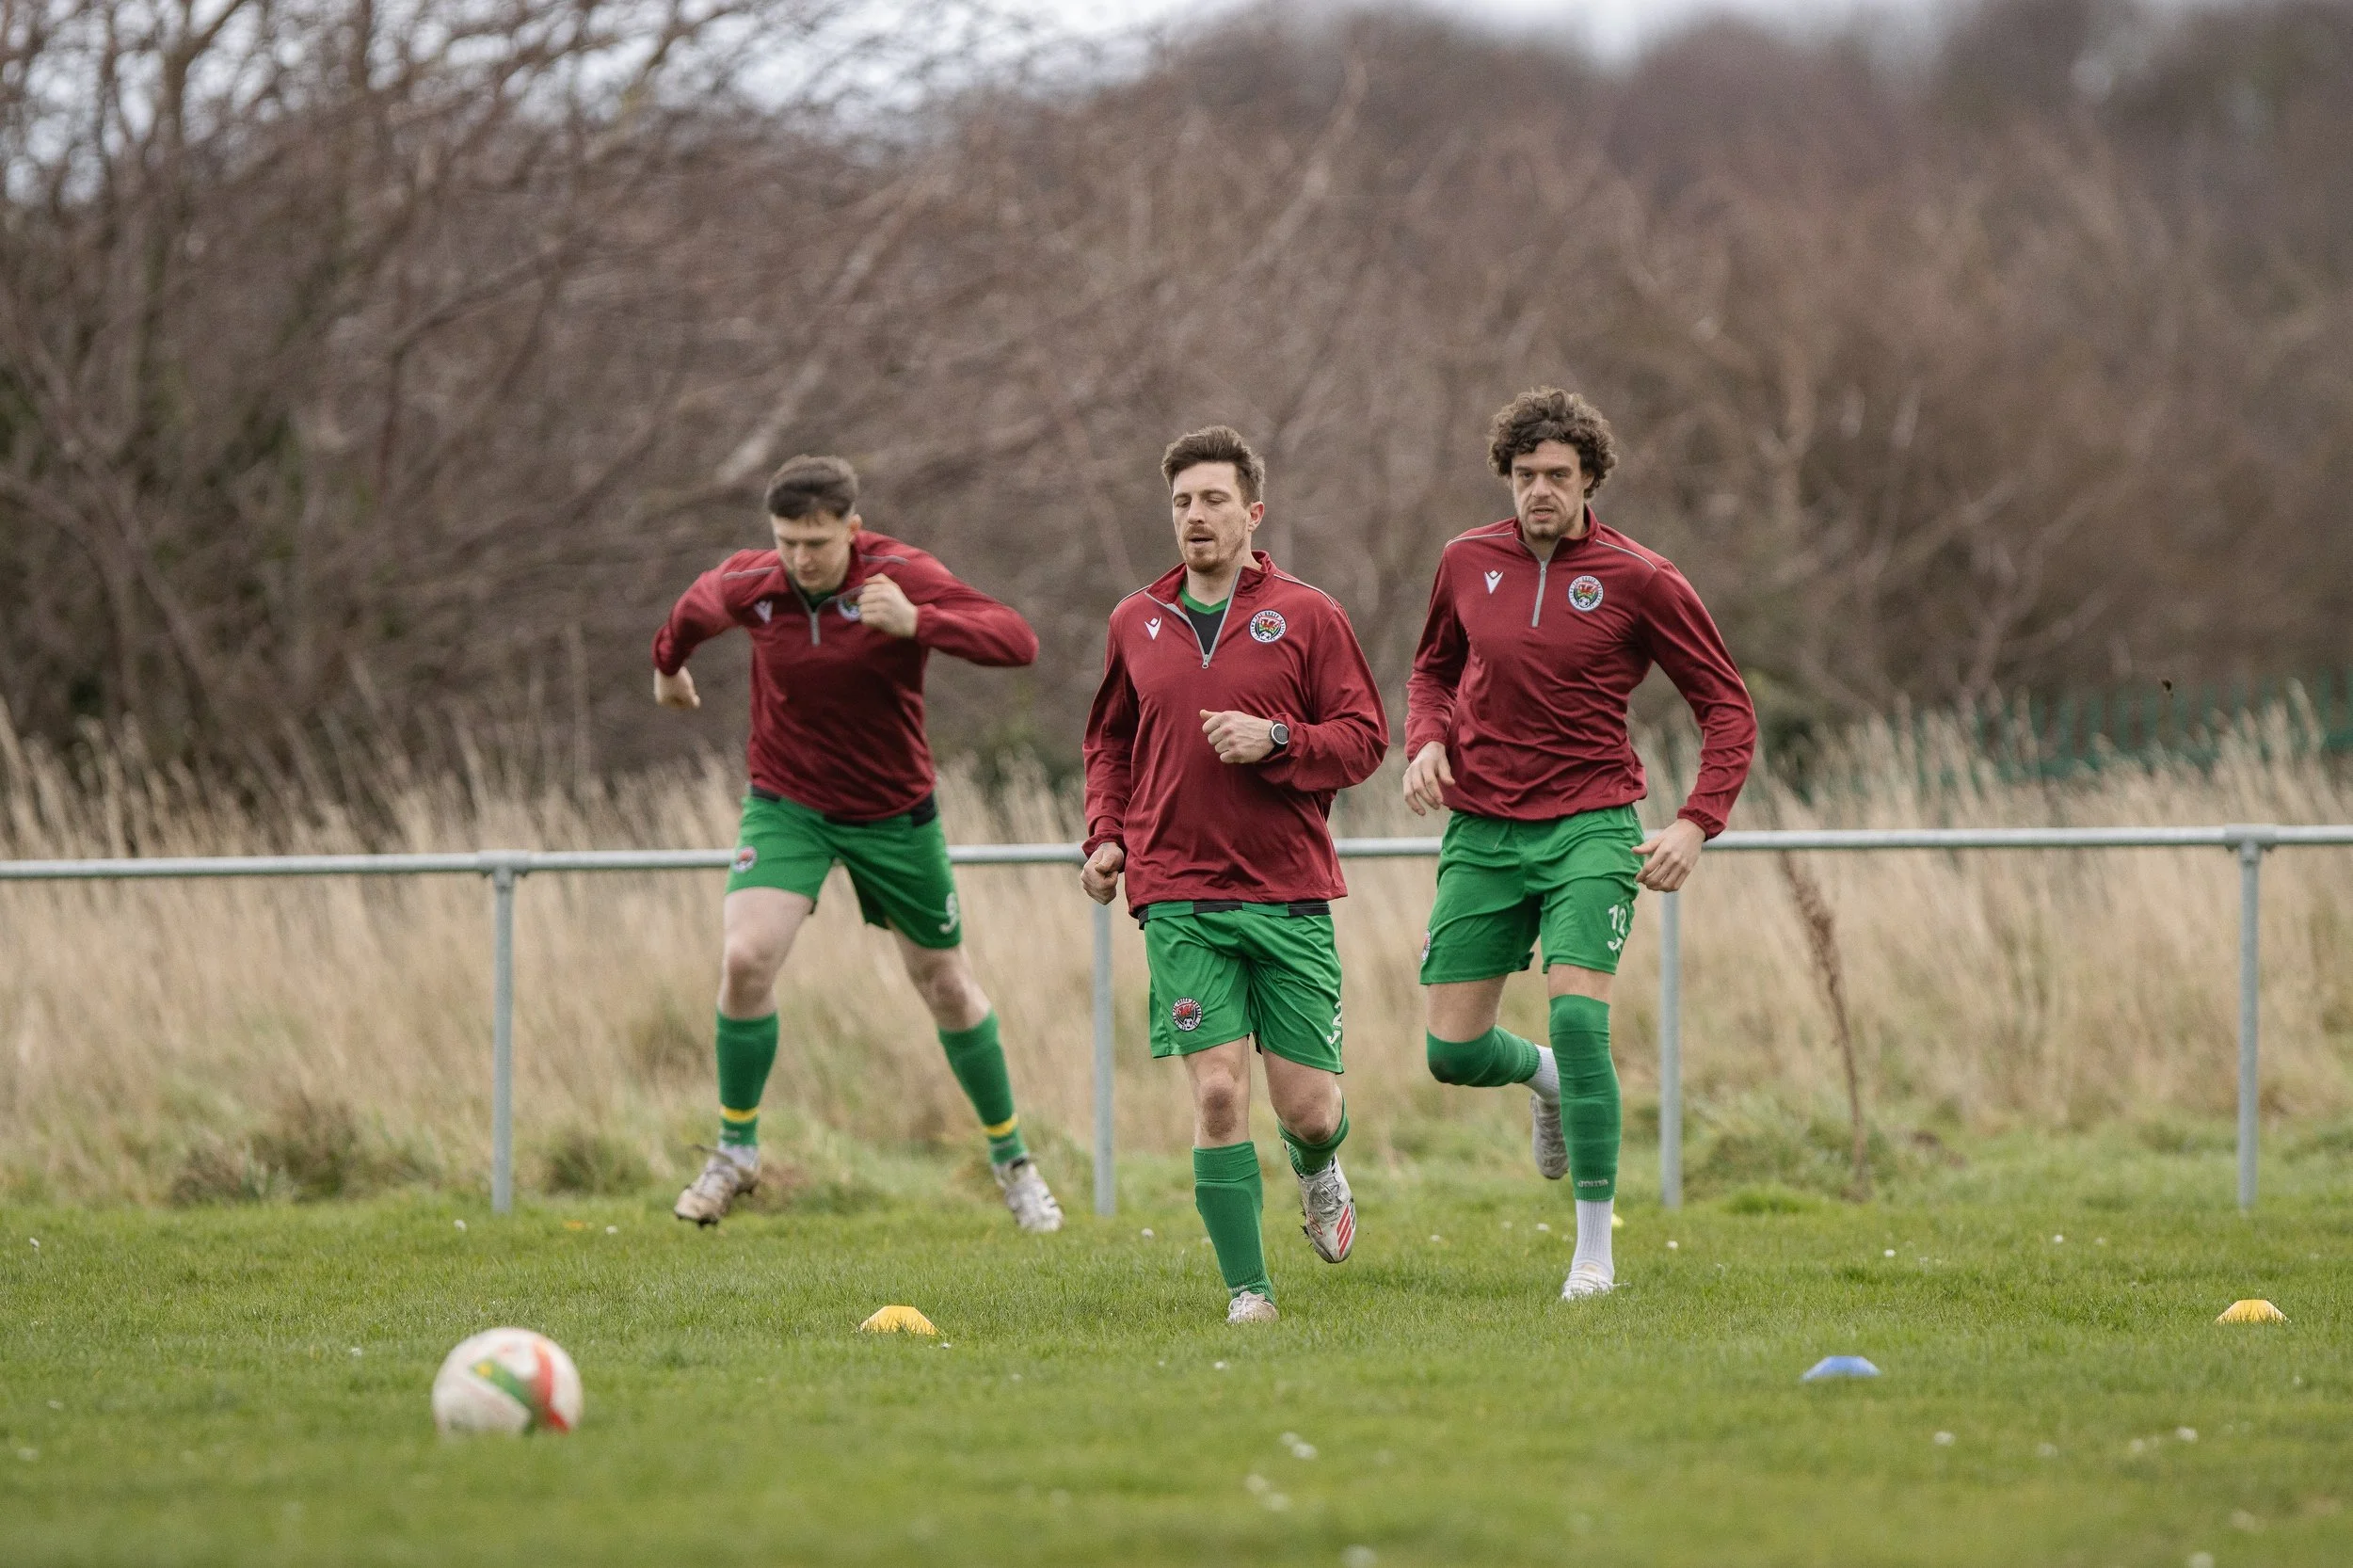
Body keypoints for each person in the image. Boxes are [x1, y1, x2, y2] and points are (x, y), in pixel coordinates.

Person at [650, 454, 1064, 1232]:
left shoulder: (899, 574)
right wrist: (667, 666)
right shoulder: (756, 584)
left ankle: (1014, 1164)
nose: (801, 559)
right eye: (787, 542)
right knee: (744, 958)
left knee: (944, 984)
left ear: (853, 529)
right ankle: (735, 1152)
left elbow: (1018, 641)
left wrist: (920, 623)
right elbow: (693, 611)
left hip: (893, 812)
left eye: (817, 542)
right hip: (789, 805)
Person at [1404, 388, 1755, 1299]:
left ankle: (1592, 1251)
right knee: (1450, 1052)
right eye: (1524, 477)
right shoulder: (1463, 561)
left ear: (1591, 478)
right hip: (1481, 827)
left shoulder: (1642, 577)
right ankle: (1551, 1081)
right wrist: (1426, 739)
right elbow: (1432, 668)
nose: (1539, 492)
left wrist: (1694, 821)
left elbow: (1726, 707)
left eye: (1557, 476)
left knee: (1577, 1013)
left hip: (1590, 824)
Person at [1081, 425, 1389, 1324]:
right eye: (1181, 502)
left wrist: (1280, 739)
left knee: (1307, 1108)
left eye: (1213, 500)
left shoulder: (1307, 615)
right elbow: (1108, 742)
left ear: (1254, 513)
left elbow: (1365, 739)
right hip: (1177, 894)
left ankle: (1319, 1165)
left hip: (1288, 891)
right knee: (1217, 1092)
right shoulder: (1135, 620)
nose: (1195, 517)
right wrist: (1106, 835)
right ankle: (1249, 1294)